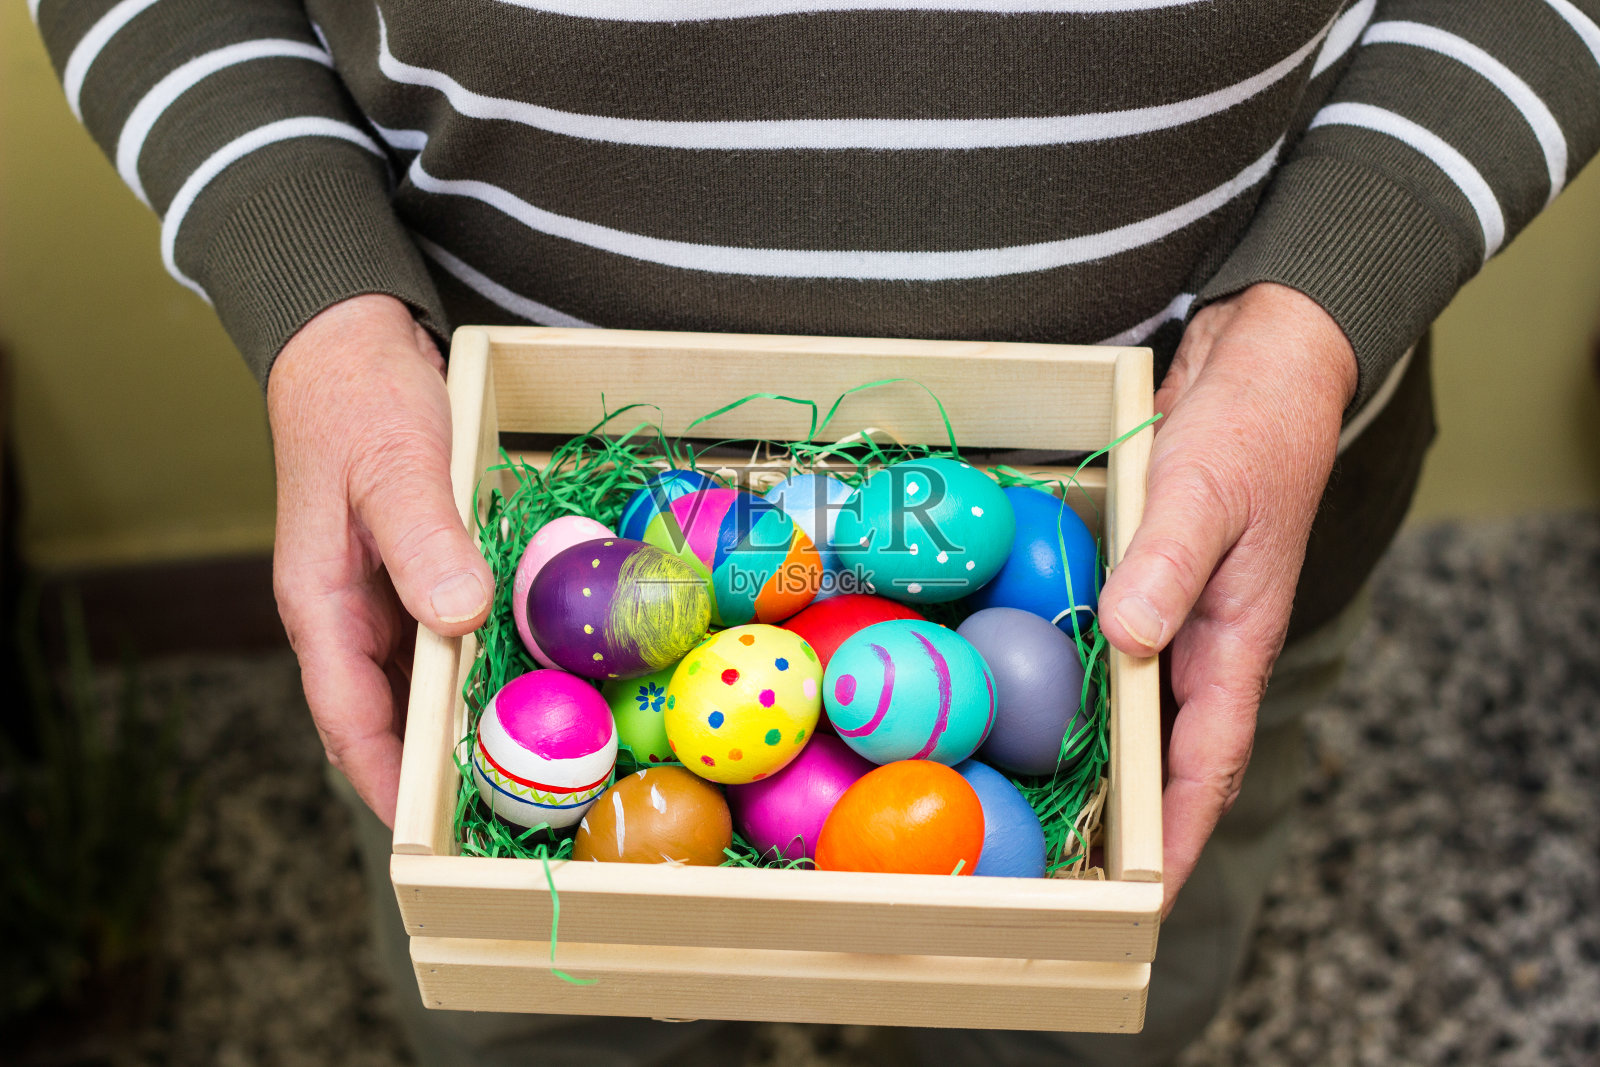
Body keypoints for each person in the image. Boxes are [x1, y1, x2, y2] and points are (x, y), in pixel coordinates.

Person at [32, 1, 1600, 1063]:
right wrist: (311, 294)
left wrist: (1326, 302)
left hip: (1196, 538)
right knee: (543, 1012)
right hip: (490, 521)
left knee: (1073, 1014)